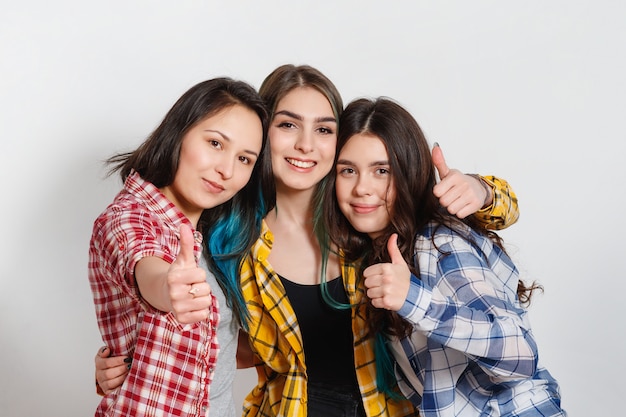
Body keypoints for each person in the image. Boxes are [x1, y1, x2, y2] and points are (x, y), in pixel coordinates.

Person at [95, 64, 520, 416]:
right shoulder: (227, 240)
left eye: (323, 130)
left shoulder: (364, 210)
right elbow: (223, 336)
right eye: (287, 125)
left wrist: (481, 190)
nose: (304, 145)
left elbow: (488, 210)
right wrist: (133, 362)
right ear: (262, 136)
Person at [324, 96, 566, 416]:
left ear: (408, 173)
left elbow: (519, 354)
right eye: (348, 170)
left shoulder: (438, 247)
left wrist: (414, 299)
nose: (362, 188)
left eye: (381, 170)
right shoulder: (378, 253)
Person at [88, 77, 269, 416]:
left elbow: (222, 349)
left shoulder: (215, 235)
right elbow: (145, 263)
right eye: (215, 143)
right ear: (179, 132)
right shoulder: (130, 217)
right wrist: (169, 289)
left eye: (245, 159)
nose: (226, 169)